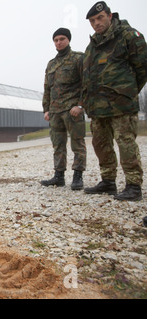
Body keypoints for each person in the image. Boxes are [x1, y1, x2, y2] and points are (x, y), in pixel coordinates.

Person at [82, 1, 146, 201]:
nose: (96, 23)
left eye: (100, 18)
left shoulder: (128, 36)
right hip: (98, 108)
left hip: (121, 105)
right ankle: (108, 181)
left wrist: (128, 92)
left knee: (125, 143)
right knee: (101, 144)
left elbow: (142, 68)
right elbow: (87, 77)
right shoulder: (92, 46)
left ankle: (133, 185)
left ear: (110, 16)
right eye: (92, 21)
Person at [41, 28, 87, 190]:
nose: (59, 42)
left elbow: (86, 84)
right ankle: (59, 176)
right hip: (55, 112)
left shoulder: (78, 59)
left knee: (77, 143)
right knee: (58, 145)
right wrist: (46, 109)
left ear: (68, 40)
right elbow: (47, 88)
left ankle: (77, 176)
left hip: (72, 110)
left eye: (62, 39)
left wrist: (80, 105)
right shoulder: (51, 64)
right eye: (56, 40)